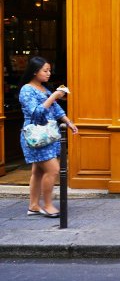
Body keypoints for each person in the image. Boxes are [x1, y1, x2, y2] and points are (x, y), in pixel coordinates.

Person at [18, 56, 78, 218]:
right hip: (36, 136)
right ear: (35, 72)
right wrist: (54, 97)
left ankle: (34, 206)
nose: (48, 73)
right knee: (53, 169)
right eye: (45, 70)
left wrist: (69, 122)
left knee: (38, 171)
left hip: (47, 136)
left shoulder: (43, 89)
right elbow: (36, 113)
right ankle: (48, 205)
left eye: (49, 70)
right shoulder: (27, 90)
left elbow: (56, 109)